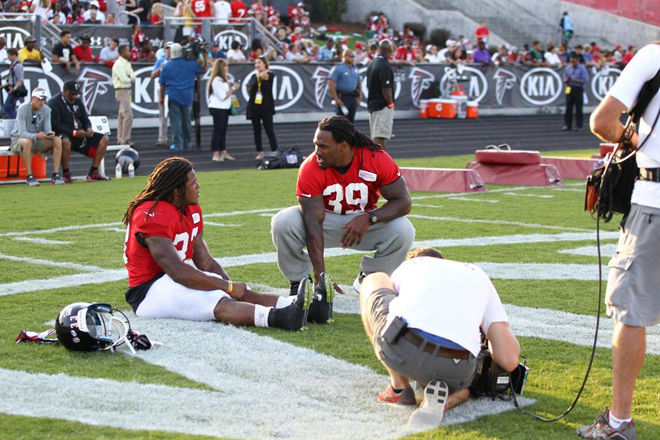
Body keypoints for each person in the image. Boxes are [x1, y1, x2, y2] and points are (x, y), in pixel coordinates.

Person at [122, 156, 312, 331]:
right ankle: (282, 317)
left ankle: (302, 307)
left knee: (243, 292)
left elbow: (205, 262)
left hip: (175, 280)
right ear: (176, 190)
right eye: (193, 182)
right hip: (149, 291)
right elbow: (177, 271)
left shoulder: (190, 209)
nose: (198, 186)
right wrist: (226, 287)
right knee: (218, 300)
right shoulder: (151, 213)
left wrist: (230, 286)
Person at [579, 42, 660, 440]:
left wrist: (630, 141)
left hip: (655, 202)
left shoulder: (653, 56)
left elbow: (603, 121)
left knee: (629, 309)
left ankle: (619, 422)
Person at [359, 247, 520, 427]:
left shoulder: (409, 266)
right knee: (465, 387)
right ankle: (446, 399)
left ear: (413, 259)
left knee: (375, 278)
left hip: (406, 350)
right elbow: (509, 360)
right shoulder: (478, 274)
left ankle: (399, 388)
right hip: (460, 368)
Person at [271, 115, 415, 299]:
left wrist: (369, 217)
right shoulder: (310, 167)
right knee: (283, 221)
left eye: (323, 146)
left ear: (343, 146)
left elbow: (404, 202)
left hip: (365, 223)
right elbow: (313, 221)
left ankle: (369, 278)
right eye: (316, 144)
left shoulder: (376, 158)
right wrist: (320, 275)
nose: (317, 152)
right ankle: (300, 281)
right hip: (326, 223)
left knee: (404, 230)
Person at [48, 80, 109, 182]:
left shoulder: (78, 102)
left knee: (104, 139)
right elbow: (55, 126)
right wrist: (74, 132)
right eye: (72, 94)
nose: (75, 96)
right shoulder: (54, 102)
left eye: (77, 94)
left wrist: (88, 128)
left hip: (80, 134)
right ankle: (66, 173)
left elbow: (85, 119)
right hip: (65, 134)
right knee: (65, 141)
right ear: (64, 91)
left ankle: (93, 172)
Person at [10, 88, 65, 187]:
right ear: (32, 98)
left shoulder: (47, 110)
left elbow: (47, 128)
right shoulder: (22, 109)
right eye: (39, 99)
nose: (41, 102)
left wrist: (50, 134)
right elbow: (21, 133)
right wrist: (36, 135)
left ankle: (55, 175)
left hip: (37, 140)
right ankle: (29, 176)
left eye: (43, 100)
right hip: (18, 140)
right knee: (27, 142)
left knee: (57, 140)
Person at [159, 43, 208, 151]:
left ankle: (177, 144)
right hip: (187, 96)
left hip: (173, 95)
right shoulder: (190, 63)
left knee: (175, 121)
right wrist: (205, 55)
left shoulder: (167, 66)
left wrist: (161, 97)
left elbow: (162, 84)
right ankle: (187, 143)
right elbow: (203, 69)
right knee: (186, 121)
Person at [246, 56, 277, 160]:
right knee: (256, 130)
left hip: (266, 106)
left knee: (269, 129)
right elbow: (249, 88)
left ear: (265, 63)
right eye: (255, 63)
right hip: (254, 106)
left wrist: (259, 74)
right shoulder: (253, 76)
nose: (257, 65)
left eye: (259, 62)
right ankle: (260, 151)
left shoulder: (270, 74)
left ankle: (274, 150)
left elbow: (265, 77)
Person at [208, 58, 238, 162]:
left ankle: (223, 152)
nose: (227, 68)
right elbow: (222, 97)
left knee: (222, 131)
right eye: (225, 66)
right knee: (218, 131)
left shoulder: (222, 80)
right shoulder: (217, 80)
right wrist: (233, 89)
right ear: (221, 67)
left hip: (223, 108)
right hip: (218, 107)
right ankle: (215, 153)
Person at [367, 40, 395, 150]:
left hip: (373, 103)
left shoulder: (373, 62)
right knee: (379, 136)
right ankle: (379, 163)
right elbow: (386, 88)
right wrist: (390, 104)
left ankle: (382, 163)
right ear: (389, 50)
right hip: (381, 105)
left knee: (377, 135)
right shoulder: (384, 65)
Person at [328, 49, 361, 124]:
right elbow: (330, 82)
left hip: (353, 97)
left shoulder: (355, 69)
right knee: (341, 122)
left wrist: (359, 98)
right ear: (344, 56)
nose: (352, 58)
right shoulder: (338, 68)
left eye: (353, 56)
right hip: (343, 97)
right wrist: (336, 98)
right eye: (350, 56)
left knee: (351, 122)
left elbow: (359, 84)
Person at [112, 45, 136, 147]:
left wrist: (129, 78)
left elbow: (133, 77)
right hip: (121, 90)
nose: (129, 52)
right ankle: (125, 139)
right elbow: (125, 79)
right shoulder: (118, 64)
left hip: (127, 90)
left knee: (122, 115)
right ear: (122, 52)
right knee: (128, 115)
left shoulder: (127, 63)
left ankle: (121, 138)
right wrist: (130, 78)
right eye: (127, 50)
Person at [151, 42, 172, 147]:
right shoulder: (161, 61)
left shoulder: (177, 61)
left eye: (170, 48)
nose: (169, 51)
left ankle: (177, 138)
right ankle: (162, 137)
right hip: (164, 89)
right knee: (162, 115)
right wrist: (160, 68)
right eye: (167, 49)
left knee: (175, 115)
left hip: (173, 89)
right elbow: (152, 75)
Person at [563, 53, 588, 131]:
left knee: (578, 108)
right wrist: (566, 80)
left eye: (574, 59)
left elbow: (584, 80)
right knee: (568, 108)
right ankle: (568, 125)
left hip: (578, 88)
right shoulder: (568, 68)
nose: (572, 61)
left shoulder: (582, 69)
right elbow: (564, 78)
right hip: (569, 88)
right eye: (571, 59)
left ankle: (579, 125)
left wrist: (573, 80)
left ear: (578, 59)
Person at [3, 49, 24, 119]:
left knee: (7, 107)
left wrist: (14, 88)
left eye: (9, 55)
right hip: (12, 88)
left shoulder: (17, 65)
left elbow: (20, 80)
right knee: (12, 107)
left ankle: (17, 121)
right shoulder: (13, 65)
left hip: (15, 90)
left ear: (14, 55)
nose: (8, 57)